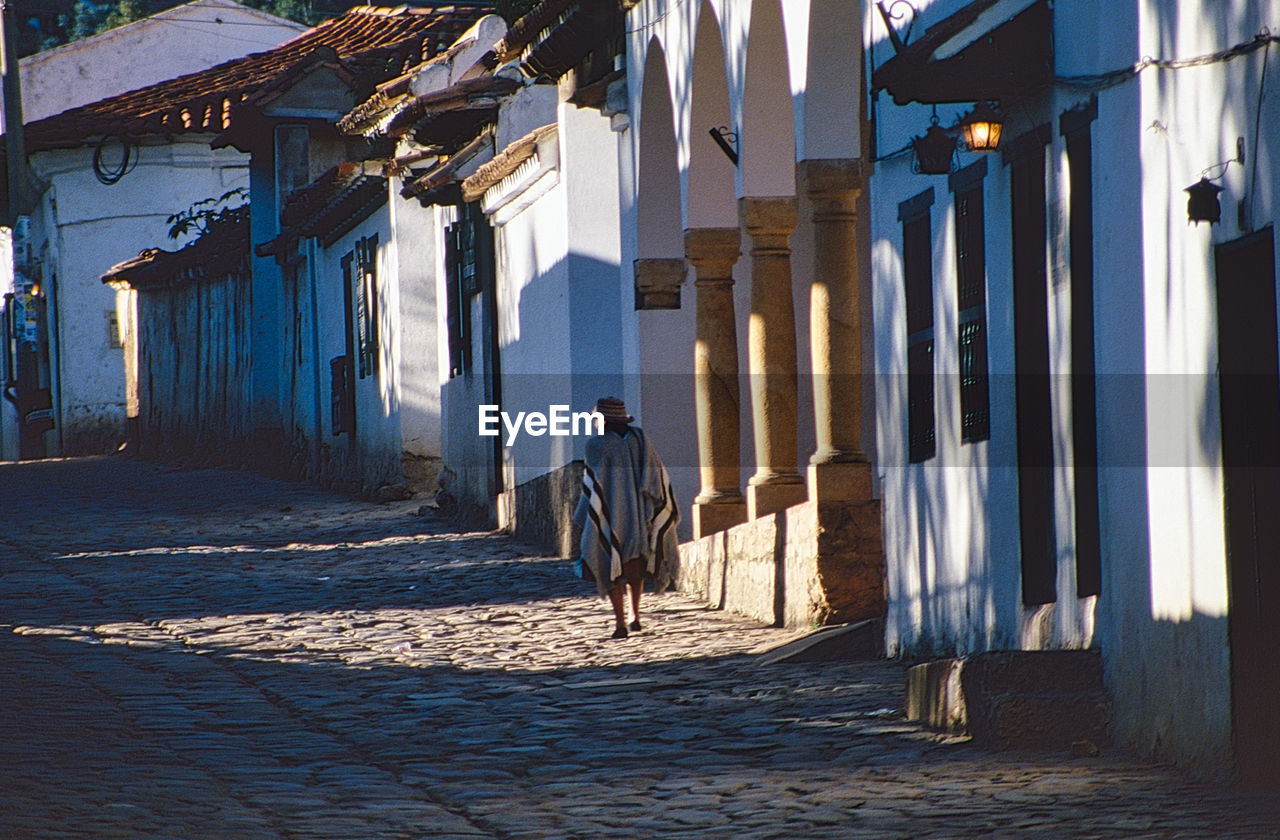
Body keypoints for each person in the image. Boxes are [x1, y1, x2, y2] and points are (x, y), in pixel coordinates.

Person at [573, 397, 679, 639]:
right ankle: (635, 616)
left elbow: (593, 483)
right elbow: (654, 474)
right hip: (639, 511)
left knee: (609, 562)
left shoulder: (596, 445)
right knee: (635, 565)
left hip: (610, 510)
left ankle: (620, 622)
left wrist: (588, 513)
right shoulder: (640, 439)